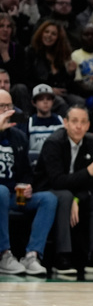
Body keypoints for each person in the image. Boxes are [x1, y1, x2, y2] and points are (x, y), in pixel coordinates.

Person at [34, 105, 93, 275]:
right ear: (65, 123)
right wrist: (88, 172)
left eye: (83, 122)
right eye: (74, 121)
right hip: (48, 190)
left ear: (88, 126)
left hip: (75, 193)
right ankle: (62, 257)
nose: (79, 126)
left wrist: (78, 199)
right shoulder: (53, 143)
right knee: (64, 196)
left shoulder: (91, 142)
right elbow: (56, 181)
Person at [0, 104, 56, 276]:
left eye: (8, 106)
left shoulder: (18, 136)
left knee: (48, 199)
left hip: (12, 195)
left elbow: (26, 173)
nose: (7, 111)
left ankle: (32, 255)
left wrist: (26, 185)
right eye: (1, 107)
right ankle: (4, 255)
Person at [20, 84, 63, 164]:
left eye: (48, 99)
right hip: (35, 163)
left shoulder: (61, 121)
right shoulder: (29, 122)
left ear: (53, 102)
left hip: (57, 162)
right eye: (41, 99)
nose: (45, 102)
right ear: (33, 102)